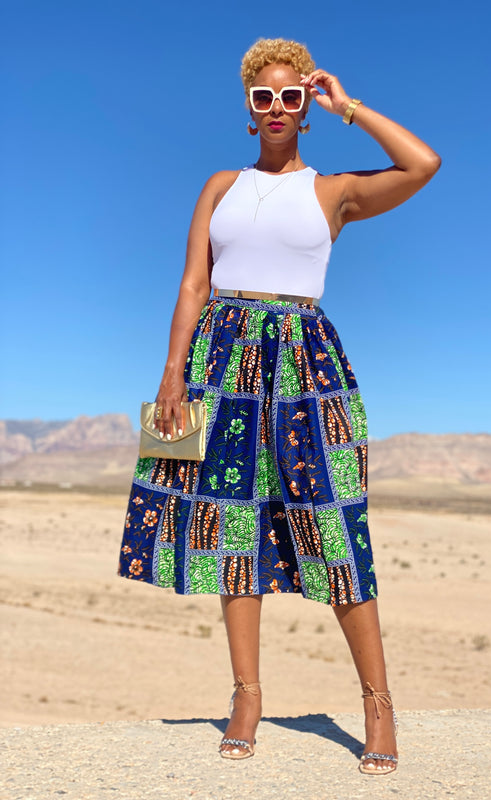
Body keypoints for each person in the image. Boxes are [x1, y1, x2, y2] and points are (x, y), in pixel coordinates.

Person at [117, 37, 441, 775]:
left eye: (290, 96)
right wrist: (172, 375)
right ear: (248, 107)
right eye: (263, 96)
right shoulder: (219, 185)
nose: (276, 107)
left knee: (335, 524)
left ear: (305, 107)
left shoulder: (334, 191)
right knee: (229, 524)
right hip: (220, 359)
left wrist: (348, 106)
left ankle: (378, 704)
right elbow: (193, 285)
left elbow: (422, 164)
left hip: (305, 360)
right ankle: (246, 697)